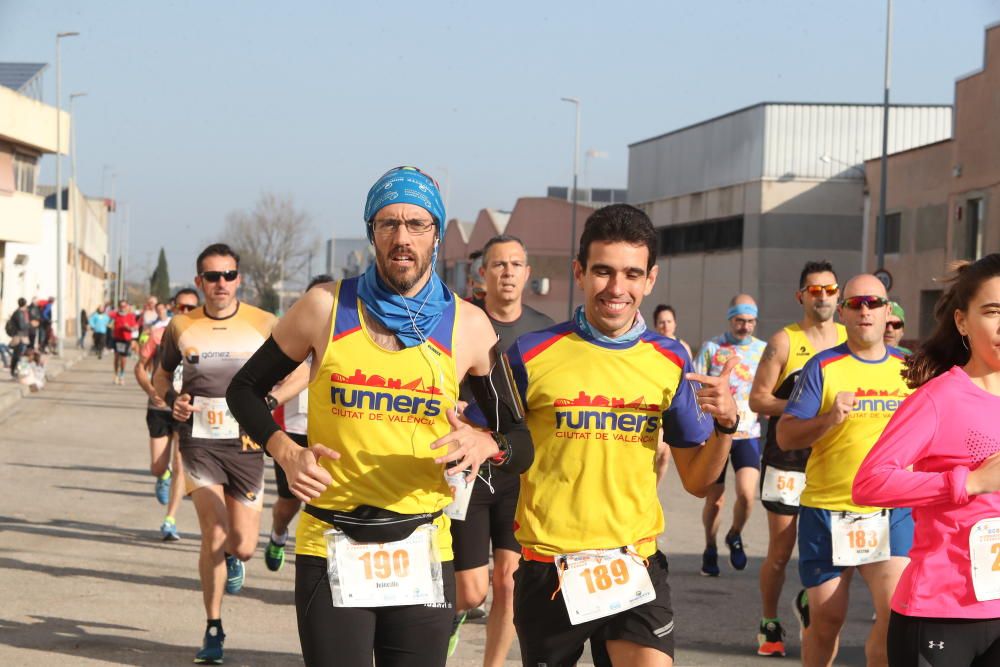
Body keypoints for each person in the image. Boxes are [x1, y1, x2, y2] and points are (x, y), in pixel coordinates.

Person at [226, 166, 534, 667]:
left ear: (436, 232)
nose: (402, 238)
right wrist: (284, 450)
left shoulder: (470, 326)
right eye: (388, 224)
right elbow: (243, 390)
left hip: (423, 544)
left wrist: (486, 444)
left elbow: (522, 441)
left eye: (417, 224)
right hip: (330, 540)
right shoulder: (324, 307)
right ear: (371, 231)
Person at [506, 204, 738, 667]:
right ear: (580, 272)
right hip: (551, 568)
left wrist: (726, 425)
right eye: (603, 272)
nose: (617, 288)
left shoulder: (670, 358)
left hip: (634, 563)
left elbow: (696, 482)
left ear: (650, 279)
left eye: (632, 274)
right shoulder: (530, 353)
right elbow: (488, 435)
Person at [853, 255, 1000, 667]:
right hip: (939, 613)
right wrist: (968, 483)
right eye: (993, 312)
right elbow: (869, 483)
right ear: (963, 321)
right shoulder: (938, 399)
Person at [777, 274, 914, 667]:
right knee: (827, 622)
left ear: (888, 312)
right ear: (843, 313)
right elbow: (786, 436)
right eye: (855, 304)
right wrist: (829, 420)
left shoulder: (910, 369)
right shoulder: (823, 365)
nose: (865, 310)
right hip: (828, 510)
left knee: (895, 616)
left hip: (890, 512)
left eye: (873, 303)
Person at [153, 244, 279, 665]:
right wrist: (172, 399)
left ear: (239, 278)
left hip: (246, 444)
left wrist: (274, 397)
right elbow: (158, 376)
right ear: (199, 282)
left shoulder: (264, 323)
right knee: (215, 533)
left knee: (242, 546)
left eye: (228, 275)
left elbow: (301, 368)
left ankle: (234, 559)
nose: (220, 283)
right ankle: (213, 627)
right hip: (198, 442)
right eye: (212, 276)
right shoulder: (181, 325)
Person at [448, 234, 554, 664]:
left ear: (527, 274)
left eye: (515, 264)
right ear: (483, 274)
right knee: (472, 590)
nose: (507, 272)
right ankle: (455, 614)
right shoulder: (460, 323)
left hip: (518, 468)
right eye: (498, 265)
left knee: (509, 580)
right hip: (468, 469)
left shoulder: (544, 332)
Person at [748, 260, 846, 656]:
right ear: (801, 296)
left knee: (823, 546)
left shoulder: (848, 337)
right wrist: (802, 407)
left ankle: (809, 601)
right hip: (787, 459)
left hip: (831, 458)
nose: (822, 296)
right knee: (780, 551)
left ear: (838, 295)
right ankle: (769, 621)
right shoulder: (784, 341)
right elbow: (758, 398)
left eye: (829, 289)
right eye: (814, 290)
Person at [262, 273, 335, 574]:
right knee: (288, 504)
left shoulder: (348, 340)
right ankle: (279, 533)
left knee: (328, 503)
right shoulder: (290, 336)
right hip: (293, 430)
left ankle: (324, 564)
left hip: (332, 433)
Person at [694, 294, 766, 577]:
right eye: (740, 321)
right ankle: (710, 547)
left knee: (747, 495)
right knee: (716, 499)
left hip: (748, 433)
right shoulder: (713, 348)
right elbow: (694, 387)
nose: (745, 327)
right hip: (716, 434)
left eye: (750, 322)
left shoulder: (764, 350)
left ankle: (735, 534)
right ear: (730, 319)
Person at [135, 288, 200, 541]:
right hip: (160, 408)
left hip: (185, 409)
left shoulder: (204, 338)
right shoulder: (158, 334)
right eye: (181, 307)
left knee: (181, 465)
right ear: (173, 307)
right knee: (159, 466)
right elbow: (140, 368)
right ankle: (162, 476)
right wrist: (151, 390)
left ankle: (170, 520)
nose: (185, 312)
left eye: (190, 308)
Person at [110, 300, 139, 384]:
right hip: (116, 338)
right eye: (121, 306)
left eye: (124, 306)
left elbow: (134, 327)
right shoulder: (115, 315)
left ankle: (122, 374)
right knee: (116, 357)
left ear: (127, 307)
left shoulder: (130, 316)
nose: (122, 308)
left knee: (123, 358)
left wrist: (129, 328)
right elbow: (108, 319)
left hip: (126, 339)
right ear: (119, 307)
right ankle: (116, 375)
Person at [8, 298, 31, 378]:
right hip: (19, 338)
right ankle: (14, 372)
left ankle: (17, 372)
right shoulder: (19, 313)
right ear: (24, 304)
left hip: (21, 337)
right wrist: (29, 325)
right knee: (18, 356)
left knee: (19, 356)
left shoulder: (20, 312)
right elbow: (22, 326)